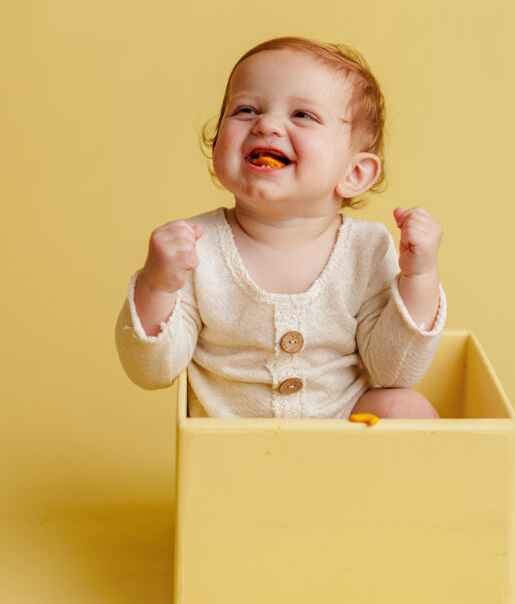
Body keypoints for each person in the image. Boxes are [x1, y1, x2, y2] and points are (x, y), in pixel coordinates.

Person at [115, 36, 447, 420]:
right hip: (232, 447)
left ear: (354, 173)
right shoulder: (194, 250)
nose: (267, 124)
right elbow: (152, 373)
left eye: (302, 115)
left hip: (343, 438)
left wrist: (419, 276)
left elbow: (396, 372)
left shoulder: (366, 249)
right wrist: (156, 285)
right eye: (245, 109)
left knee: (406, 407)